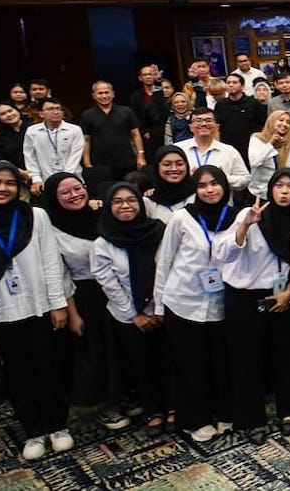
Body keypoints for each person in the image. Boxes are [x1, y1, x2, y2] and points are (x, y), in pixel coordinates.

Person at [0, 161, 73, 460]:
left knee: (50, 368)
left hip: (40, 307)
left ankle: (58, 426)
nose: (2, 188)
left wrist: (58, 304)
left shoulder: (35, 216)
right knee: (18, 373)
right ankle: (33, 431)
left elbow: (51, 262)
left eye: (10, 183)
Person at [220, 169, 290, 442]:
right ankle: (251, 418)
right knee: (247, 359)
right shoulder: (252, 214)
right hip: (245, 296)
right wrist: (245, 225)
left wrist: (289, 292)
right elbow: (224, 253)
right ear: (270, 189)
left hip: (282, 295)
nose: (284, 191)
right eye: (279, 186)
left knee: (286, 354)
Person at [154, 165, 237, 442]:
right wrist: (158, 305)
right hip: (183, 301)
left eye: (215, 183)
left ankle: (224, 413)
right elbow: (164, 260)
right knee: (190, 365)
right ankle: (195, 419)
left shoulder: (237, 218)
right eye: (202, 185)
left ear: (225, 185)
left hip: (221, 303)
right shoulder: (182, 218)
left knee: (221, 364)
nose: (209, 190)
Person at [44, 173, 127, 429]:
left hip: (117, 288)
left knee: (120, 346)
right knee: (95, 351)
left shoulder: (101, 215)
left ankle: (124, 396)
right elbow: (60, 274)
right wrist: (73, 313)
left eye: (77, 188)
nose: (74, 195)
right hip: (84, 296)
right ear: (54, 198)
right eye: (65, 192)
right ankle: (102, 405)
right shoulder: (52, 229)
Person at [91, 182, 168, 434]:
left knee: (169, 360)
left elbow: (168, 270)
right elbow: (109, 283)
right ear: (108, 206)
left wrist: (159, 309)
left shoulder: (159, 231)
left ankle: (174, 406)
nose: (125, 205)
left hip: (163, 309)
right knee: (141, 364)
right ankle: (154, 410)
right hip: (127, 315)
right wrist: (135, 315)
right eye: (117, 201)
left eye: (131, 200)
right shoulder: (103, 243)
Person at [176, 108, 252, 197]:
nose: (204, 124)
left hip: (220, 204)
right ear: (190, 127)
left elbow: (245, 179)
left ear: (217, 126)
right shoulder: (178, 149)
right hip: (185, 202)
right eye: (198, 121)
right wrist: (184, 178)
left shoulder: (229, 151)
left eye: (208, 120)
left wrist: (223, 178)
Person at [23, 97, 84, 197]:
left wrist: (64, 179)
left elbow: (75, 156)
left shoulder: (74, 130)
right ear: (41, 114)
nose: (56, 112)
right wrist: (36, 178)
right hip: (44, 181)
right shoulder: (32, 131)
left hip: (71, 178)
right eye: (50, 109)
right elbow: (30, 157)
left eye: (58, 109)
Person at [247, 111, 290, 202]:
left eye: (288, 122)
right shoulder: (257, 138)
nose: (284, 124)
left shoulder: (289, 139)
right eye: (281, 120)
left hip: (281, 193)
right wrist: (271, 143)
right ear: (272, 121)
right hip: (259, 192)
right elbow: (255, 162)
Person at [215, 74, 267, 167]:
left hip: (249, 148)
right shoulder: (220, 105)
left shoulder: (254, 103)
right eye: (228, 83)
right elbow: (217, 127)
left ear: (242, 86)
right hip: (228, 148)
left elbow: (263, 126)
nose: (231, 85)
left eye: (234, 82)